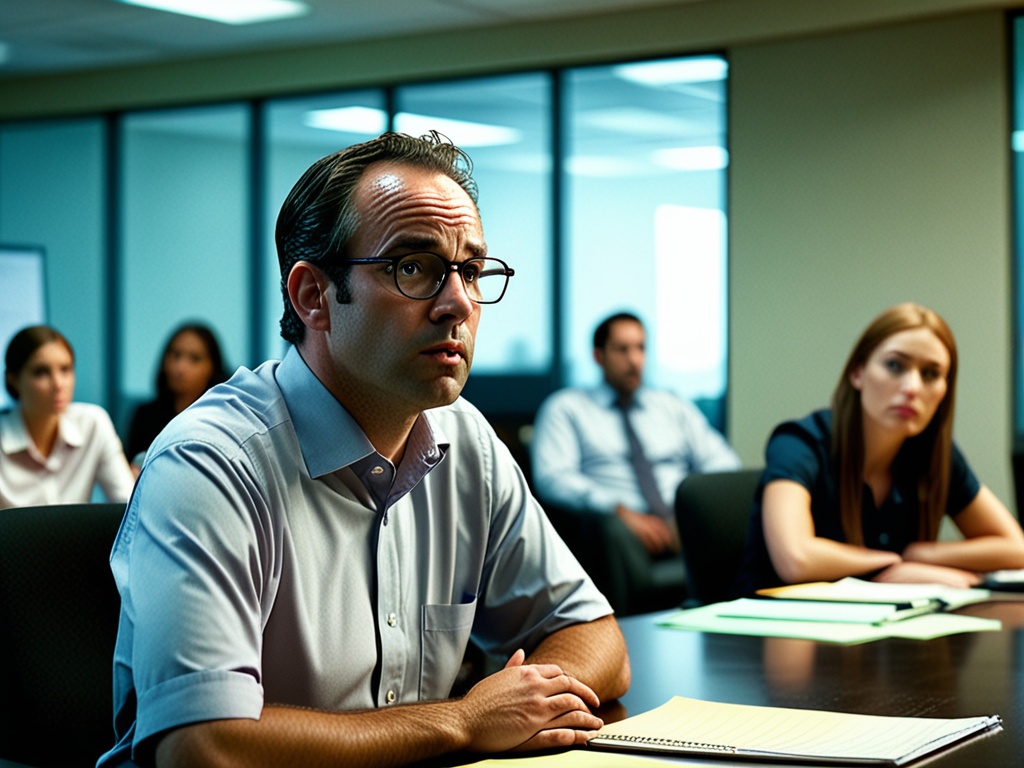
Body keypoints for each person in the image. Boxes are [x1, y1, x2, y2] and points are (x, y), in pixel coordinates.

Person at [99, 132, 630, 768]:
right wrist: (461, 721)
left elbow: (597, 638)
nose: (458, 303)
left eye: (470, 270)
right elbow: (202, 746)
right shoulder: (210, 465)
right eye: (414, 268)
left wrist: (526, 702)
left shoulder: (465, 441)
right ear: (313, 297)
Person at [734, 302, 1024, 596]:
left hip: (880, 631)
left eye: (930, 374)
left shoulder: (935, 455)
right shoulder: (800, 443)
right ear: (857, 373)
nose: (912, 387)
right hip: (776, 632)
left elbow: (1018, 548)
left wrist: (921, 555)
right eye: (895, 365)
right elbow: (795, 559)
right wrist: (889, 565)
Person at [531, 312, 741, 613]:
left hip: (682, 525)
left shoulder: (671, 406)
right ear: (598, 355)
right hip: (622, 530)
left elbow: (722, 461)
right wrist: (619, 510)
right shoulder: (567, 409)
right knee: (613, 532)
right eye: (623, 349)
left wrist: (692, 509)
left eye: (641, 348)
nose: (635, 360)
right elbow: (553, 477)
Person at [0, 324, 134, 508]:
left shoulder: (93, 423)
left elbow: (129, 506)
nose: (58, 384)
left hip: (80, 538)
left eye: (65, 369)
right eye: (41, 372)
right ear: (13, 379)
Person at [125, 322, 228, 466]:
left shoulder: (222, 419)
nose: (181, 368)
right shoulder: (145, 415)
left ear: (213, 367)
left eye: (194, 359)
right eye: (176, 355)